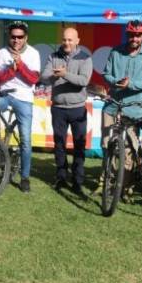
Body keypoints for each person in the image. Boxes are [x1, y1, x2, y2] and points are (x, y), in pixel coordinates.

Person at [100, 20, 142, 197]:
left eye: (139, 35)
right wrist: (115, 82)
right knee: (107, 145)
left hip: (133, 108)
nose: (135, 38)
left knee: (128, 150)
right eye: (132, 34)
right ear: (128, 35)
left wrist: (130, 84)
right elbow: (106, 73)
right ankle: (104, 183)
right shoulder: (116, 51)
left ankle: (125, 187)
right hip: (112, 106)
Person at [41, 27, 93, 197]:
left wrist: (65, 74)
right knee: (59, 144)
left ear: (77, 41)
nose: (66, 43)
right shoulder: (53, 56)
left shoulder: (85, 58)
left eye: (70, 40)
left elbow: (83, 81)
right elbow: (44, 77)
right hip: (58, 108)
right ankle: (61, 177)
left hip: (77, 108)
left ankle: (77, 181)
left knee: (79, 146)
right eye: (64, 40)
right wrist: (55, 76)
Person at [0, 20, 40, 193]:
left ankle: (25, 177)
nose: (16, 40)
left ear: (25, 38)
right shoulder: (1, 53)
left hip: (24, 98)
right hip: (5, 94)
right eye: (13, 37)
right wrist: (11, 70)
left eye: (20, 37)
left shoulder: (33, 53)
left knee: (26, 140)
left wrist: (20, 66)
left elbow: (33, 79)